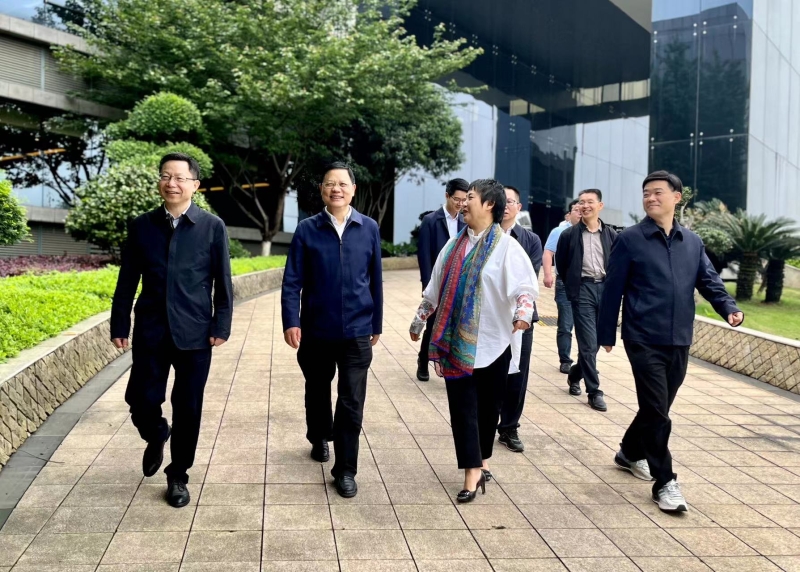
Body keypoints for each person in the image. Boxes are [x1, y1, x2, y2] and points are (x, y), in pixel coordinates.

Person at [598, 170, 743, 512]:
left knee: (657, 407)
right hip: (642, 336)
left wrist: (729, 308)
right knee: (657, 411)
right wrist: (605, 334)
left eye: (657, 192)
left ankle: (629, 452)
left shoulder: (691, 241)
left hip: (679, 337)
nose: (650, 198)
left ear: (676, 197)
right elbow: (612, 288)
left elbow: (708, 279)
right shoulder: (630, 239)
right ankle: (665, 481)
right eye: (646, 193)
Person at [110, 152, 233, 508]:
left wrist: (221, 324)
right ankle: (157, 432)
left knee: (188, 407)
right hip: (151, 329)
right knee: (140, 400)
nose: (172, 183)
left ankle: (178, 475)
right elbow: (127, 280)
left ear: (195, 185)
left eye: (180, 177)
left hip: (196, 333)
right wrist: (120, 322)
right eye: (166, 176)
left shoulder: (212, 227)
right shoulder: (142, 226)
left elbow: (223, 281)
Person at [409, 179, 538, 503]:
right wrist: (419, 320)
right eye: (463, 198)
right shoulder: (453, 247)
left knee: (488, 410)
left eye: (470, 198)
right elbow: (434, 288)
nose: (463, 204)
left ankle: (482, 460)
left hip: (495, 343)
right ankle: (472, 473)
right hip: (457, 345)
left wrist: (522, 314)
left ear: (489, 205)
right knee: (463, 409)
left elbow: (525, 289)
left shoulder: (507, 248)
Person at [281, 162, 383, 499]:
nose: (335, 189)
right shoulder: (307, 229)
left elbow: (376, 279)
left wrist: (377, 323)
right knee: (317, 389)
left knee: (351, 401)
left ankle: (346, 469)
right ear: (322, 190)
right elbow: (292, 280)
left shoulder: (368, 227)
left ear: (353, 189)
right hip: (316, 329)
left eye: (342, 184)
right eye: (329, 184)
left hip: (357, 330)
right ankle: (319, 435)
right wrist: (291, 321)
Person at [555, 189, 616, 411]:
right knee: (588, 344)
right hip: (582, 290)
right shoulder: (568, 235)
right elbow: (562, 264)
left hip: (605, 291)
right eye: (581, 202)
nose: (585, 205)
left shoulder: (611, 235)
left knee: (596, 343)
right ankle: (594, 392)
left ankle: (575, 374)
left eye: (590, 202)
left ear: (600, 205)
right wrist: (574, 287)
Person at [496, 185, 542, 453]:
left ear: (518, 207)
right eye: (501, 201)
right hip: (490, 317)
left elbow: (528, 277)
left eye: (510, 201)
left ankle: (509, 427)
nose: (505, 206)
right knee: (489, 371)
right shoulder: (482, 235)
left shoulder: (530, 240)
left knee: (518, 373)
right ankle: (485, 421)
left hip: (520, 318)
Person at [416, 178, 469, 381]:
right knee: (432, 323)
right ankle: (423, 361)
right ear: (447, 196)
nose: (460, 204)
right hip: (436, 282)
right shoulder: (431, 220)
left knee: (454, 325)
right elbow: (424, 256)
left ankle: (448, 363)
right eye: (457, 199)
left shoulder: (465, 221)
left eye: (464, 200)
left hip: (457, 282)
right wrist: (428, 286)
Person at [543, 200, 582, 375]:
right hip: (564, 282)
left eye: (582, 209)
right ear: (569, 213)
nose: (580, 212)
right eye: (576, 209)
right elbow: (548, 252)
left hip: (586, 284)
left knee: (586, 325)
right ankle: (565, 360)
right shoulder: (559, 231)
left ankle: (585, 361)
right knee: (566, 324)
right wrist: (548, 274)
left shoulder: (591, 232)